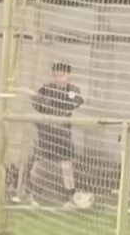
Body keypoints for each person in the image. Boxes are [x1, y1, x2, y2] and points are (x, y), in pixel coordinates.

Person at [28, 62, 89, 208]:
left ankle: (71, 196)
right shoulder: (45, 89)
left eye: (61, 75)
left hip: (63, 134)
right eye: (56, 76)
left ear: (68, 76)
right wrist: (44, 103)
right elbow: (37, 104)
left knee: (66, 165)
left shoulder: (73, 90)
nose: (58, 79)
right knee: (38, 163)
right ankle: (29, 193)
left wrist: (54, 104)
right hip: (46, 133)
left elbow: (74, 102)